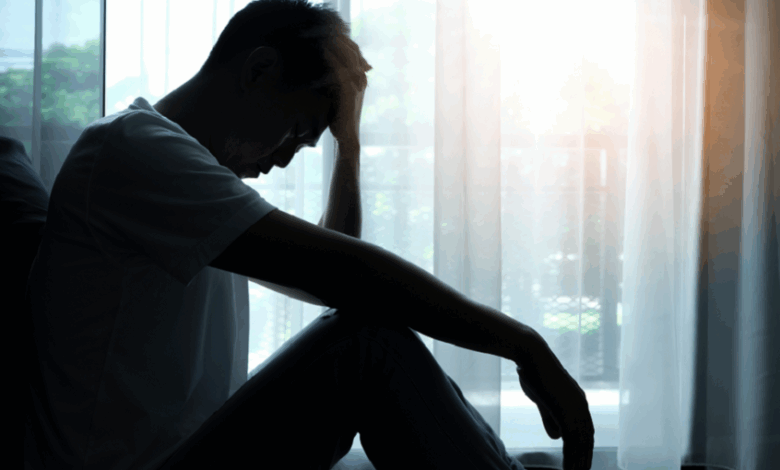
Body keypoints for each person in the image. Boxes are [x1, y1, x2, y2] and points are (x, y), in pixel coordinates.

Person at [24, 1, 594, 469]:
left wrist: (349, 145)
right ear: (258, 70)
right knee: (366, 344)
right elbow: (345, 278)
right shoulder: (133, 150)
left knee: (366, 328)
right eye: (295, 131)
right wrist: (523, 345)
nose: (283, 161)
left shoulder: (182, 172)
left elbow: (338, 285)